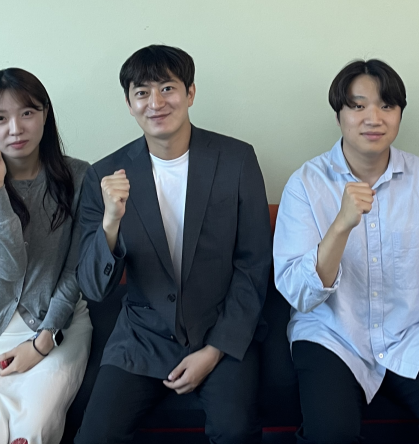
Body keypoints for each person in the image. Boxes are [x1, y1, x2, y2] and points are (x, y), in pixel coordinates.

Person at [274, 59, 419, 444]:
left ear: (400, 113)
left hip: (412, 333)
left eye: (386, 105)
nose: (373, 118)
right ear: (339, 115)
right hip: (333, 334)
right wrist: (341, 225)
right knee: (330, 435)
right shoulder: (305, 185)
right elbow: (298, 293)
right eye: (358, 106)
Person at [74, 45, 271, 444]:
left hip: (219, 325)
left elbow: (253, 264)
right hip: (143, 333)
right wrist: (111, 222)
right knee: (95, 435)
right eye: (142, 92)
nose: (156, 102)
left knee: (234, 431)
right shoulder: (105, 175)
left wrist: (214, 350)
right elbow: (93, 287)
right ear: (129, 104)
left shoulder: (236, 160)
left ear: (190, 93)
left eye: (167, 88)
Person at [0, 68, 93, 444]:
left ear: (45, 115)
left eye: (27, 112)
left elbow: (75, 270)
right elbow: (8, 266)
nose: (15, 128)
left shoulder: (79, 178)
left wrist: (43, 342)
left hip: (55, 324)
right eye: (0, 118)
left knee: (30, 432)